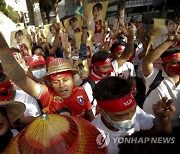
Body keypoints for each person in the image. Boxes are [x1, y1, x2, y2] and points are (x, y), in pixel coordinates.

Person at [0, 34, 94, 121]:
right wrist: (3, 48)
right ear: (50, 82)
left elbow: (90, 118)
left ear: (73, 79)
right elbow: (20, 79)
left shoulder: (81, 92)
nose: (62, 85)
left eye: (65, 80)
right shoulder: (47, 94)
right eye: (56, 82)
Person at [92, 76, 175, 154]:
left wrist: (163, 120)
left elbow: (162, 138)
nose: (130, 118)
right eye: (120, 116)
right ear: (100, 110)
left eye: (133, 111)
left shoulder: (137, 112)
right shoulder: (93, 135)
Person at [142, 27, 180, 128]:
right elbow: (147, 62)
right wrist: (169, 41)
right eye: (175, 63)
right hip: (151, 126)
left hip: (174, 127)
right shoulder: (154, 76)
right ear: (164, 65)